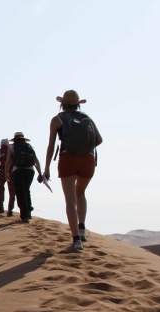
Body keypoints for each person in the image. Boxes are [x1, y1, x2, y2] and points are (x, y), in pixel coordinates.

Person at [44, 89, 103, 251]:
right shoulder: (87, 119)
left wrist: (47, 167)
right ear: (78, 104)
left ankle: (76, 240)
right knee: (80, 193)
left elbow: (51, 146)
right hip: (88, 160)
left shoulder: (57, 119)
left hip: (68, 158)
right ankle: (82, 229)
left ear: (62, 104)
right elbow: (99, 140)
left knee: (70, 200)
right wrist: (84, 148)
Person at [5, 132, 44, 223]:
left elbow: (8, 161)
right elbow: (36, 160)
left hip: (17, 171)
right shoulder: (28, 146)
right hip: (30, 171)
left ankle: (24, 216)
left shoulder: (11, 147)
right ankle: (29, 212)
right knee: (26, 190)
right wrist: (39, 173)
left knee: (19, 193)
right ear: (23, 139)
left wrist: (6, 172)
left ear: (14, 139)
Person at [0, 139, 16, 216]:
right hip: (10, 172)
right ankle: (10, 209)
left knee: (1, 188)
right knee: (11, 191)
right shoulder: (11, 150)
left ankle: (1, 207)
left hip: (2, 172)